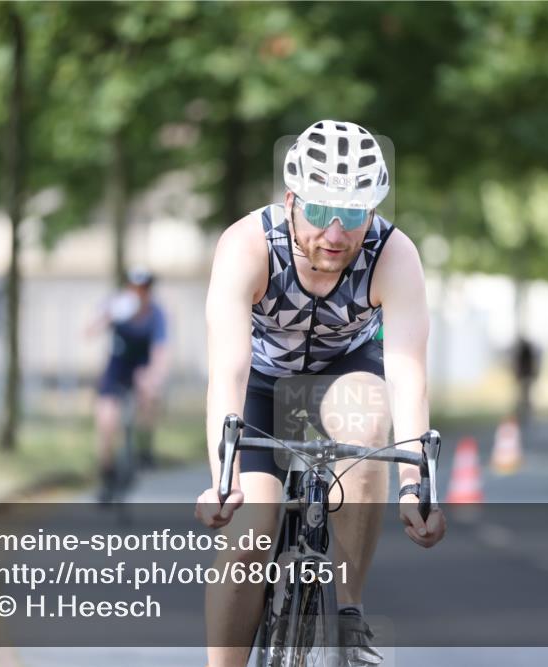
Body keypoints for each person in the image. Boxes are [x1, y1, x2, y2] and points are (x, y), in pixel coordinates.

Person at [194, 120, 447, 667]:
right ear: (291, 200)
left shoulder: (393, 254)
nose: (335, 233)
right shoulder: (247, 246)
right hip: (261, 386)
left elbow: (406, 372)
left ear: (372, 211)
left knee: (364, 420)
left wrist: (413, 485)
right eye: (319, 212)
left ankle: (349, 617)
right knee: (251, 532)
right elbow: (229, 369)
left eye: (353, 214)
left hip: (344, 377)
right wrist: (224, 481)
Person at [87, 269, 169, 501]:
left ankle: (145, 448)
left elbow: (160, 350)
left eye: (144, 289)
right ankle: (107, 473)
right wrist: (108, 316)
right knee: (106, 421)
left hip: (141, 367)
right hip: (117, 369)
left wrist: (155, 376)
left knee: (149, 394)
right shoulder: (115, 305)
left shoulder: (156, 314)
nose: (139, 294)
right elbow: (89, 331)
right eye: (135, 288)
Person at [512, 337, 539, 426]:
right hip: (526, 376)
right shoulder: (526, 353)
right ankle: (522, 414)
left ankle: (524, 414)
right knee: (524, 397)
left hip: (526, 376)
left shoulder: (525, 353)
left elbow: (523, 366)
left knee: (524, 397)